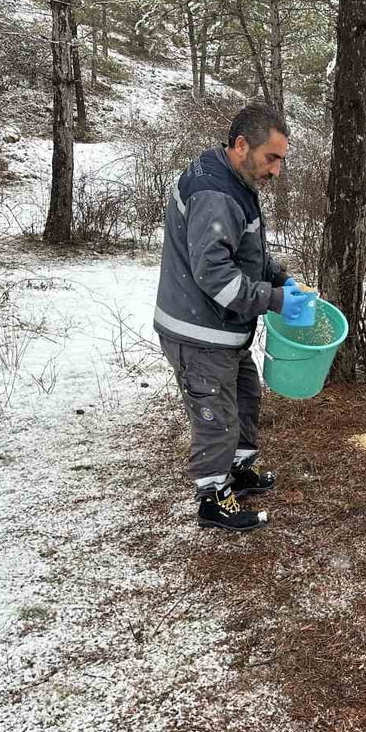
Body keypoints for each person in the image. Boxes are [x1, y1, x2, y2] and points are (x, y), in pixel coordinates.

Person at [153, 104, 311, 532]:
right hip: (199, 331)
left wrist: (279, 277)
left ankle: (239, 474)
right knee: (216, 417)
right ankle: (212, 498)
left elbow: (243, 248)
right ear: (241, 146)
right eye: (271, 158)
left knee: (245, 398)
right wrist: (274, 300)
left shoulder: (232, 178)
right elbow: (214, 275)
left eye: (281, 159)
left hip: (224, 330)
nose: (276, 170)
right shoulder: (216, 194)